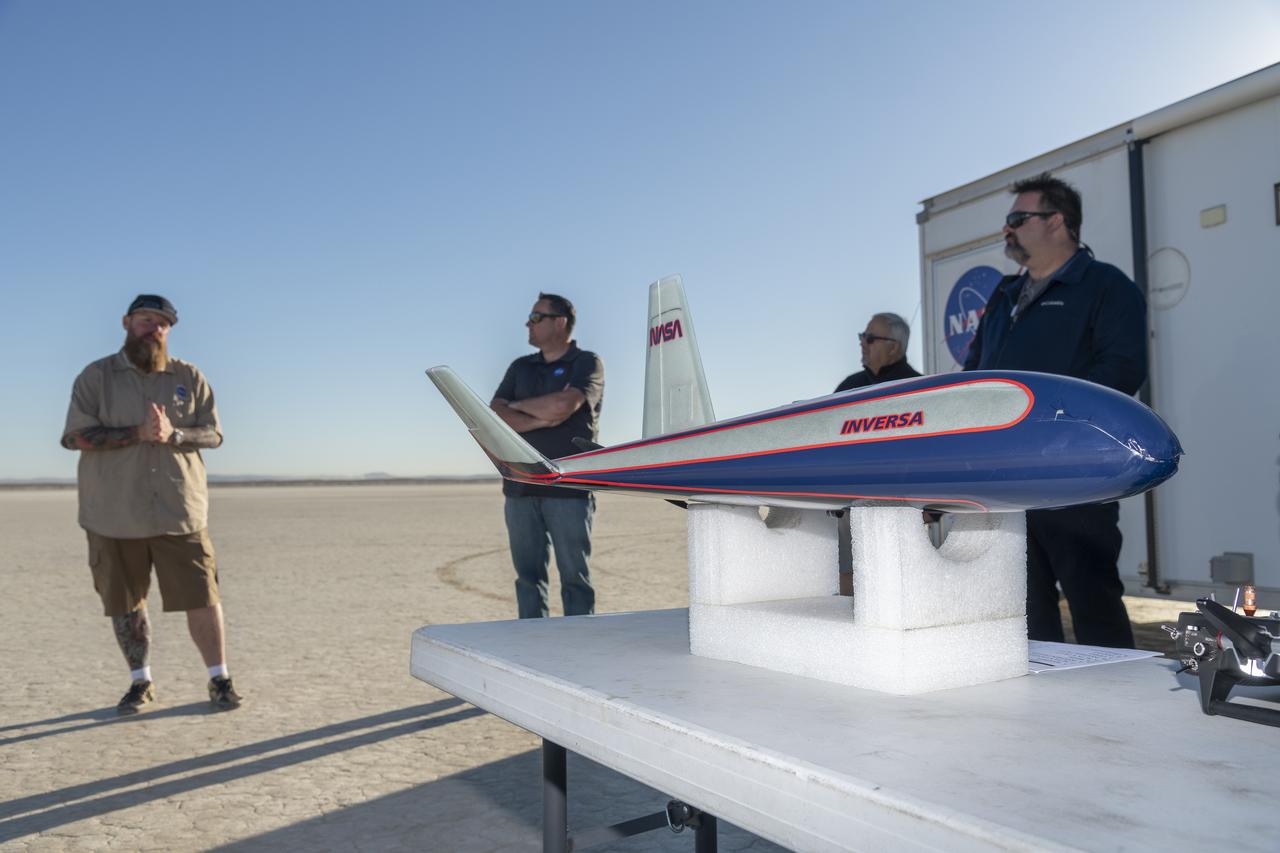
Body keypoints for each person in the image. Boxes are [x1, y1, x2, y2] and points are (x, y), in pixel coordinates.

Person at [964, 173, 1147, 648]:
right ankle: (1039, 712)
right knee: (1023, 615)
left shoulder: (1106, 286)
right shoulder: (1003, 296)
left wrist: (1049, 429)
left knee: (1094, 606)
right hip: (1006, 483)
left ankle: (1117, 711)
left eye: (1017, 219)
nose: (1007, 230)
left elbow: (1122, 371)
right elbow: (974, 374)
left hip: (1075, 480)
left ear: (1057, 222)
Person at [62, 295, 243, 713]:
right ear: (127, 322)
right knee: (125, 601)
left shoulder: (188, 376)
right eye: (146, 320)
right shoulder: (96, 377)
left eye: (162, 323)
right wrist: (136, 433)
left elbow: (213, 435)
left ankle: (219, 678)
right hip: (114, 514)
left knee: (202, 595)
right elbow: (75, 437)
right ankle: (140, 683)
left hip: (180, 512)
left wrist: (174, 435)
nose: (154, 328)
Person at [491, 293, 605, 618]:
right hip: (521, 486)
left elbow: (563, 406)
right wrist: (542, 417)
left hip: (568, 488)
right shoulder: (520, 367)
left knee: (575, 581)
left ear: (560, 322)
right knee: (528, 581)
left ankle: (580, 650)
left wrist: (524, 410)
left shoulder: (586, 363)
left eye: (536, 316)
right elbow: (495, 416)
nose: (528, 322)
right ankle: (532, 649)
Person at [834, 312, 920, 392]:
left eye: (870, 338)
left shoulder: (920, 389)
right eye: (863, 336)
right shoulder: (849, 387)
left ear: (893, 348)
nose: (862, 343)